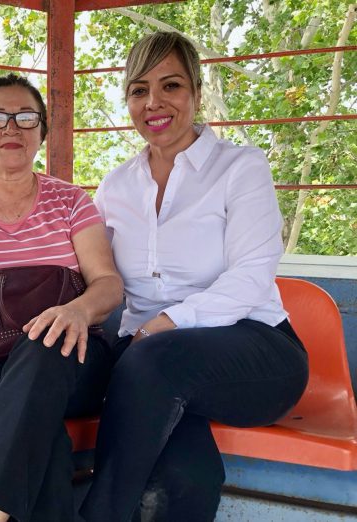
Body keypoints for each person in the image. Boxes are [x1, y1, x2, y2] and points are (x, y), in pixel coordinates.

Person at [80, 32, 310, 522]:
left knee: (152, 360)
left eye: (171, 85)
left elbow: (251, 275)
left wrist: (164, 325)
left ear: (197, 93)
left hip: (255, 352)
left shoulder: (240, 167)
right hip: (151, 365)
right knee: (183, 476)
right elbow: (91, 274)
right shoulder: (115, 187)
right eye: (139, 90)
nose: (154, 102)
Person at [0, 74, 123, 522]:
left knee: (45, 339)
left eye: (26, 117)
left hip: (74, 361)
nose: (11, 128)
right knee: (43, 442)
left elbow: (109, 283)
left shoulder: (71, 202)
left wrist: (76, 310)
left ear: (42, 131)